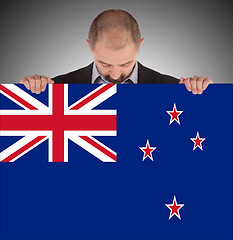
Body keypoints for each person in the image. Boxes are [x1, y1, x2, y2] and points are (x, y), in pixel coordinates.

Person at [20, 9, 212, 94]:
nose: (115, 75)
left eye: (125, 63)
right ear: (89, 46)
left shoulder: (172, 89)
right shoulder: (57, 89)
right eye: (104, 63)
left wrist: (203, 93)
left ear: (140, 45)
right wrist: (29, 92)